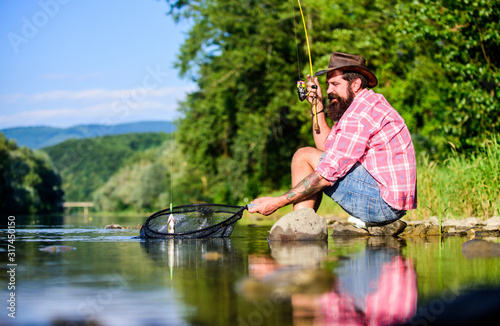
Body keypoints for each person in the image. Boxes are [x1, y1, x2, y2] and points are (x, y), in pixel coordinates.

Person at [248, 52, 417, 235]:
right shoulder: (367, 104)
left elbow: (325, 174)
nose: (329, 90)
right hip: (390, 203)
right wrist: (317, 105)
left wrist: (277, 202)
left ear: (355, 84)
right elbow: (326, 148)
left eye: (335, 84)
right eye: (328, 84)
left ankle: (299, 228)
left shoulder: (359, 115)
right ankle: (303, 226)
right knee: (311, 157)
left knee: (303, 156)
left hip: (382, 204)